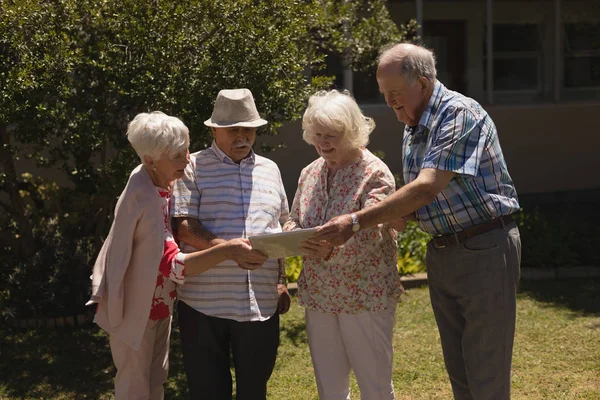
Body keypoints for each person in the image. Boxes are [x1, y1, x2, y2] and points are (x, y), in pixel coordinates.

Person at [315, 43, 522, 400]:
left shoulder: (457, 113)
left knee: (486, 370)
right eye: (384, 94)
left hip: (485, 248)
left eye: (395, 93)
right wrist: (399, 213)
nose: (390, 102)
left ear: (423, 84)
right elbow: (424, 198)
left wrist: (354, 222)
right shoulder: (415, 124)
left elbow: (426, 187)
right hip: (443, 251)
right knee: (459, 369)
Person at [87, 111, 262, 400]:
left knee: (156, 381)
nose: (187, 160)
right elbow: (174, 265)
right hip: (133, 307)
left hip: (157, 304)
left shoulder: (155, 179)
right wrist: (228, 250)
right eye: (177, 156)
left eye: (186, 150)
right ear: (151, 160)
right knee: (134, 389)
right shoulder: (144, 195)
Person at [283, 89, 403, 400]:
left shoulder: (374, 173)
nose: (323, 142)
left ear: (350, 132)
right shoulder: (309, 172)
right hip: (320, 294)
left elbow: (373, 231)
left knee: (374, 387)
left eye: (332, 135)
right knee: (330, 389)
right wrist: (295, 237)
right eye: (318, 134)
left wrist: (331, 248)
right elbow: (294, 219)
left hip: (364, 294)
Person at [171, 88, 291, 400]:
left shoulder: (270, 169)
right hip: (203, 302)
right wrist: (227, 248)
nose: (242, 136)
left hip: (261, 303)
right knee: (209, 391)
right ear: (214, 130)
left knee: (254, 391)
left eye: (248, 129)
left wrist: (281, 280)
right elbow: (183, 225)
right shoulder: (192, 167)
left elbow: (278, 227)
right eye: (233, 129)